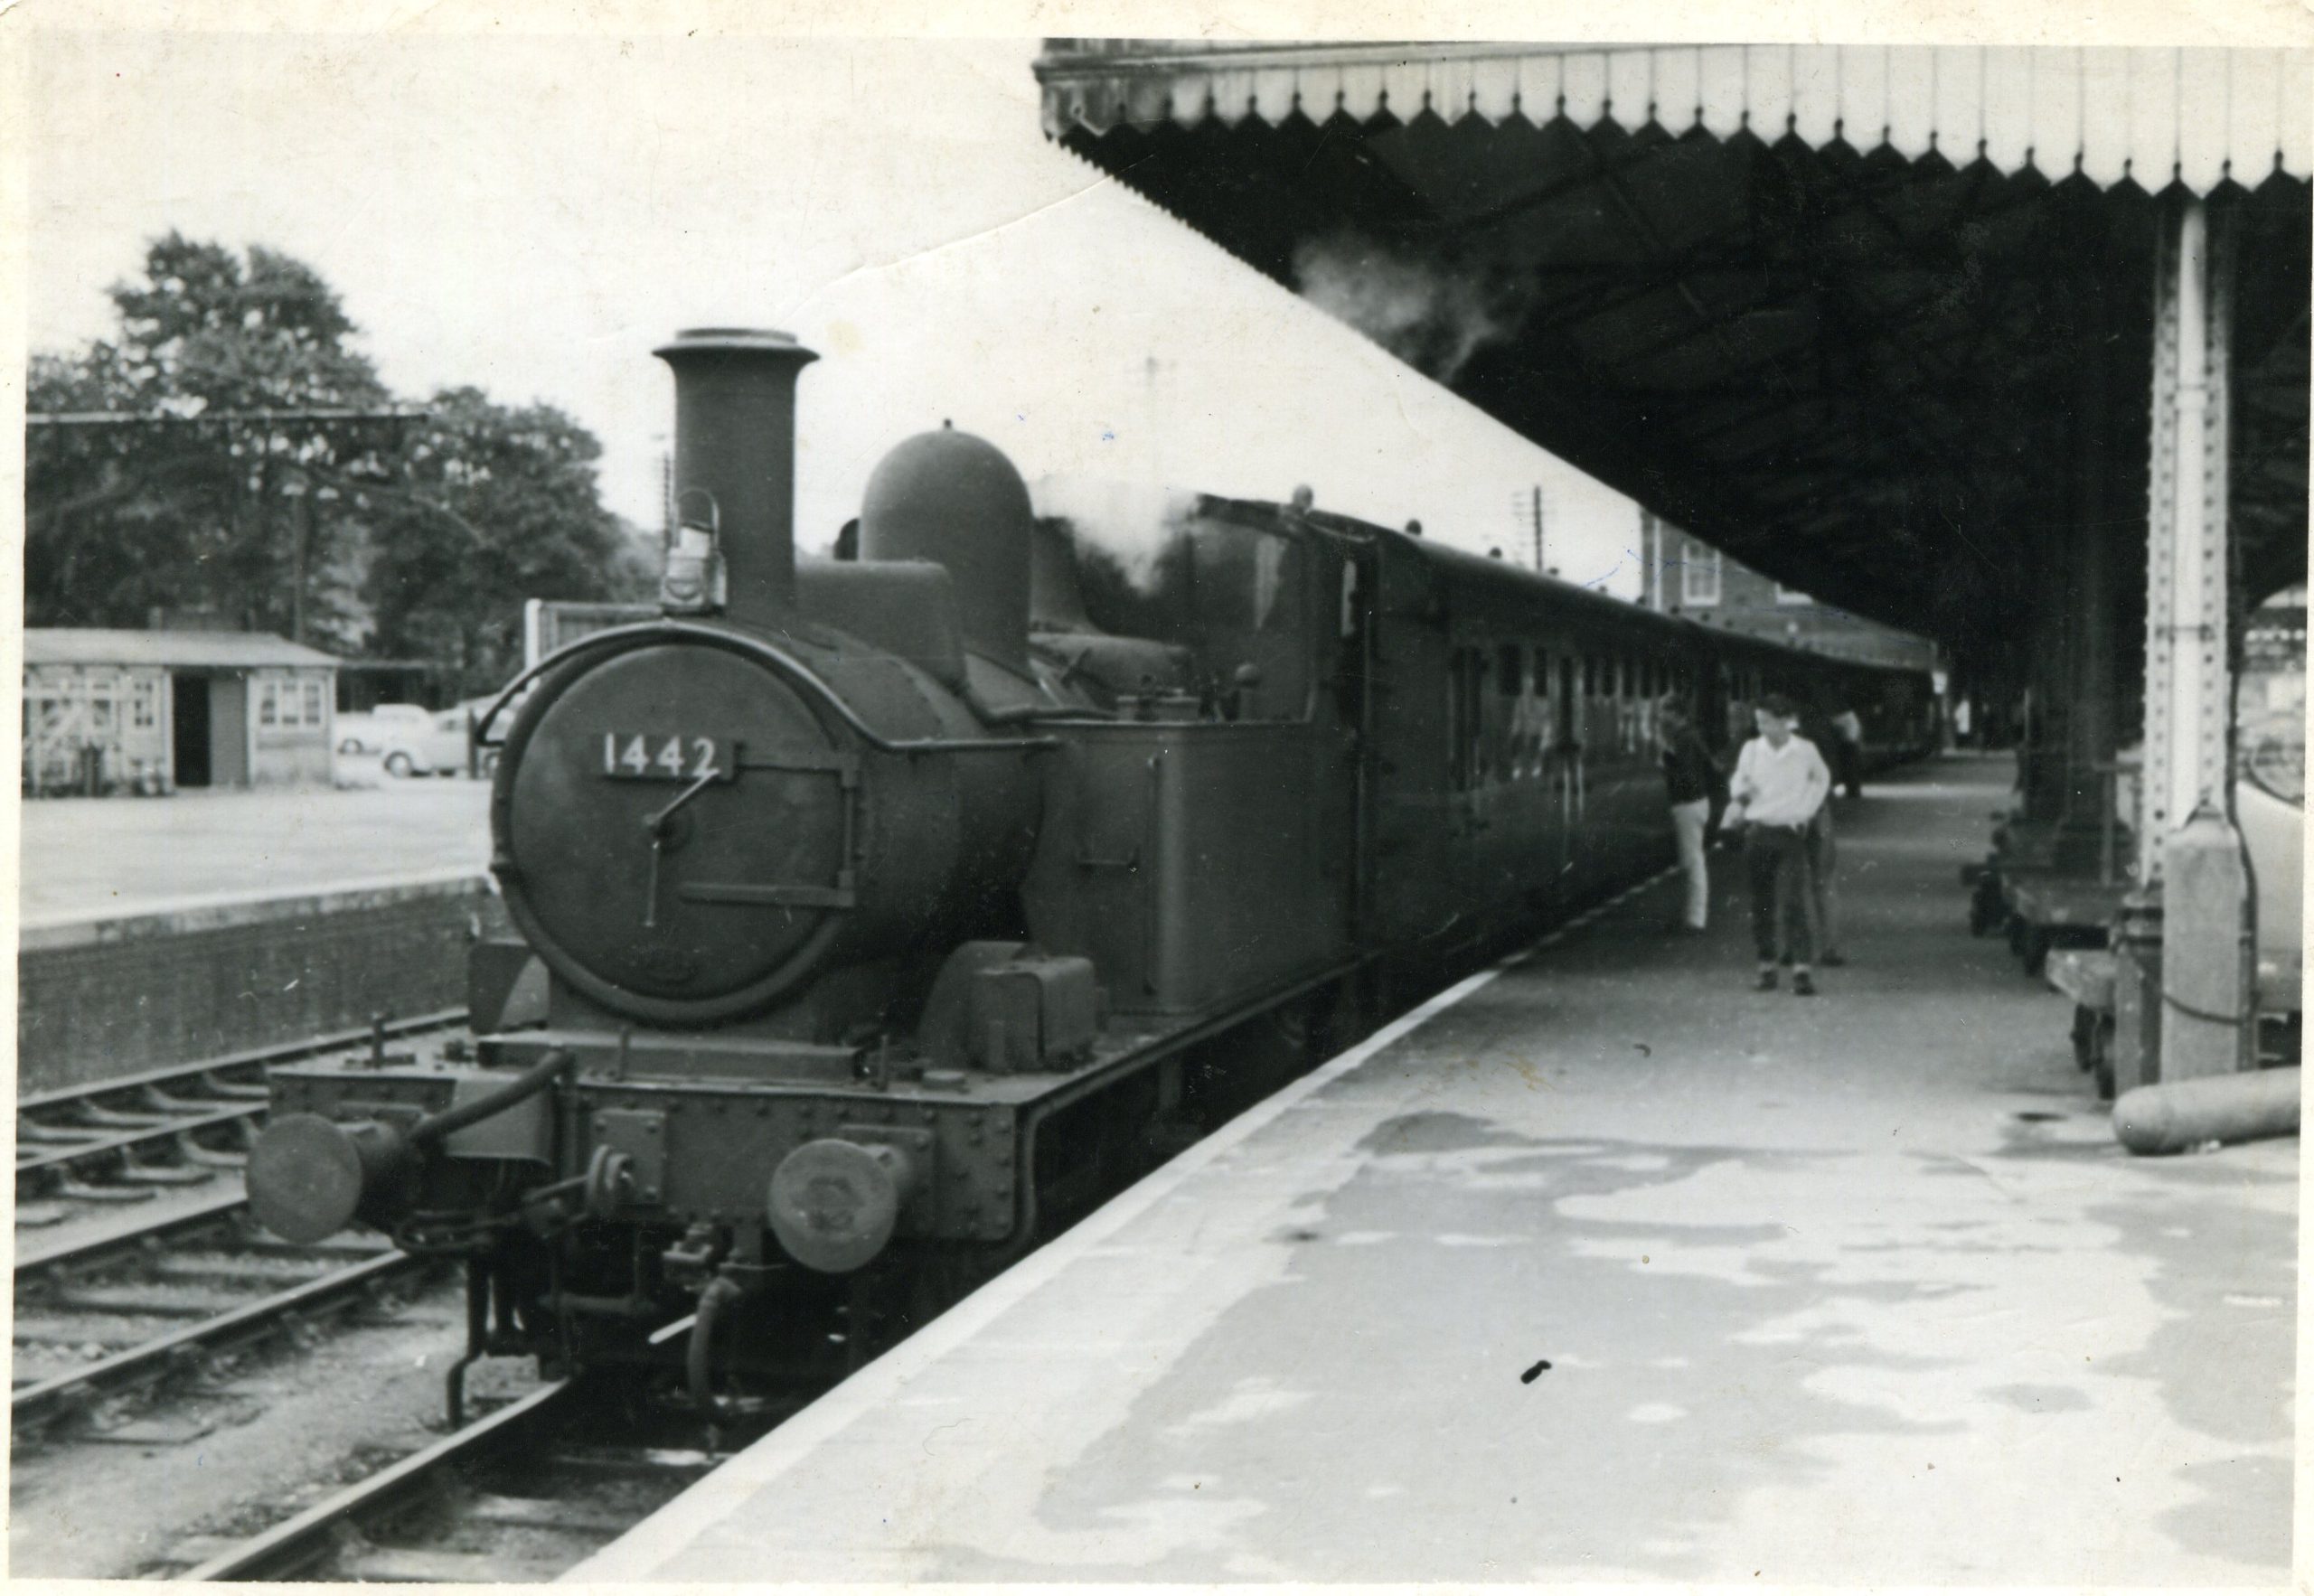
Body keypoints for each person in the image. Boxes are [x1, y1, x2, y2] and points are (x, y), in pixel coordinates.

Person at [1724, 695, 1831, 994]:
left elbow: (1822, 780)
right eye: (1759, 722)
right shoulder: (1751, 750)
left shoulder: (1805, 751)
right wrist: (1741, 794)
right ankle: (1766, 967)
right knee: (1762, 904)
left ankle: (1801, 971)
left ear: (1785, 721)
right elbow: (1738, 781)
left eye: (1767, 721)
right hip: (1758, 832)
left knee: (1794, 901)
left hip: (1790, 832)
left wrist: (1806, 810)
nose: (1762, 727)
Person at [1658, 698, 1720, 933]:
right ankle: (1692, 915)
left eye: (1665, 711)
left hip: (1688, 803)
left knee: (1693, 862)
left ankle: (1695, 918)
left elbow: (1684, 773)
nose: (1662, 716)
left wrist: (1665, 765)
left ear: (1677, 713)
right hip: (1696, 801)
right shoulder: (1691, 736)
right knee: (1692, 860)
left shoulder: (1684, 739)